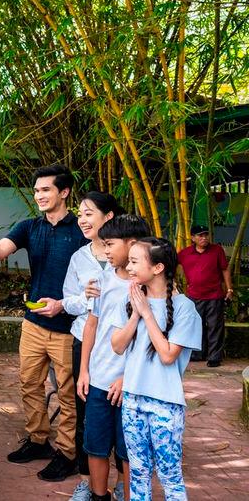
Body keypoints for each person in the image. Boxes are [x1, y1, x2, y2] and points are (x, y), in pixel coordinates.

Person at [0, 164, 87, 481]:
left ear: (64, 192)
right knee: (30, 384)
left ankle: (67, 453)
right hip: (33, 323)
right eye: (37, 190)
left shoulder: (82, 230)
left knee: (67, 394)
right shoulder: (29, 227)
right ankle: (39, 439)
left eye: (46, 190)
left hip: (70, 327)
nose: (39, 195)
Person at [111, 238, 202, 500]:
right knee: (138, 474)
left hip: (166, 404)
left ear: (158, 267)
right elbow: (117, 346)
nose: (128, 267)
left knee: (170, 475)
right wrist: (136, 314)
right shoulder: (131, 300)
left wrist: (147, 313)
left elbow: (167, 355)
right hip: (132, 399)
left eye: (134, 261)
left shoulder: (185, 308)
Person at [77, 215, 150, 501]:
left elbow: (148, 342)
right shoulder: (103, 279)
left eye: (109, 244)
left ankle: (126, 492)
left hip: (131, 385)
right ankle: (98, 495)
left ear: (132, 244)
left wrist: (127, 377)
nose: (105, 251)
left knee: (128, 449)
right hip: (98, 379)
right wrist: (84, 370)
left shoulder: (146, 286)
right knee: (95, 445)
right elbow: (92, 324)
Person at [59, 194, 125, 500]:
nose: (82, 220)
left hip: (121, 350)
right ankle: (88, 483)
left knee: (126, 417)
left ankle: (126, 482)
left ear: (108, 217)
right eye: (80, 215)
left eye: (89, 214)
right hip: (85, 343)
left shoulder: (133, 256)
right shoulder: (78, 258)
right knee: (86, 413)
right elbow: (68, 302)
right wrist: (86, 297)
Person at [177, 225, 233, 367]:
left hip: (214, 295)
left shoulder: (217, 250)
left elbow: (225, 269)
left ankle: (215, 357)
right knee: (195, 325)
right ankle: (197, 353)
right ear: (192, 237)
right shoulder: (184, 253)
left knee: (215, 326)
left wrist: (229, 289)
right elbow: (170, 265)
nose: (204, 238)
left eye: (206, 235)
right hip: (193, 295)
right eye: (200, 235)